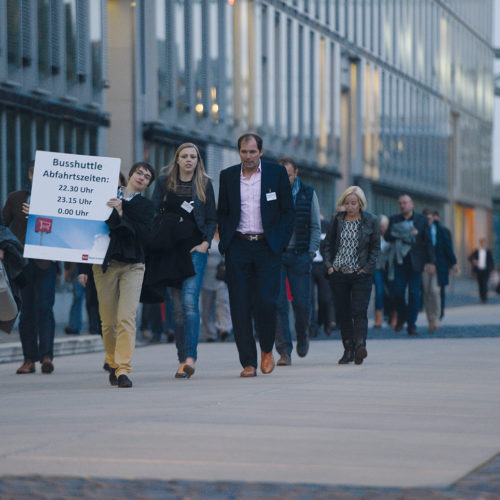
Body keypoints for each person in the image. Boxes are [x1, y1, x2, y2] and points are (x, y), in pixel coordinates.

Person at [217, 132, 294, 377]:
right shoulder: (228, 176)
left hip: (267, 247)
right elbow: (224, 212)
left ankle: (267, 350)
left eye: (252, 152)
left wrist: (280, 242)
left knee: (266, 302)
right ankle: (248, 362)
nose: (248, 156)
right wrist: (225, 242)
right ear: (238, 152)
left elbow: (287, 212)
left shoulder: (275, 173)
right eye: (244, 152)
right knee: (239, 305)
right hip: (238, 246)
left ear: (260, 152)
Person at [78, 162, 155, 388]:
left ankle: (123, 369)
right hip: (105, 263)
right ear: (130, 175)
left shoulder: (145, 206)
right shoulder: (104, 195)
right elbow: (86, 226)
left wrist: (121, 213)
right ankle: (112, 362)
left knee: (126, 318)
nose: (142, 177)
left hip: (133, 265)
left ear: (148, 184)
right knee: (108, 321)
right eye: (139, 173)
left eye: (147, 176)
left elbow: (142, 234)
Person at [151, 142, 217, 379]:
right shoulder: (163, 183)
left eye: (193, 156)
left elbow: (211, 219)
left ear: (198, 161)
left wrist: (205, 244)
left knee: (189, 302)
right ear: (177, 159)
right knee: (177, 309)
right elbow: (153, 212)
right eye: (184, 156)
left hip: (195, 250)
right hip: (170, 251)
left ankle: (190, 358)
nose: (189, 160)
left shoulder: (204, 185)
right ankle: (182, 359)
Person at [2, 163, 58, 375]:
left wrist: (41, 213)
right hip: (22, 263)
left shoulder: (56, 199)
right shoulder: (16, 197)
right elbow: (1, 223)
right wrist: (3, 247)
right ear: (30, 174)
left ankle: (46, 356)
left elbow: (66, 228)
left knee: (45, 307)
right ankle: (29, 359)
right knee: (26, 312)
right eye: (38, 174)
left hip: (47, 261)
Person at [322, 186, 379, 365]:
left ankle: (360, 345)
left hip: (361, 273)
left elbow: (375, 248)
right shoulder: (337, 219)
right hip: (339, 273)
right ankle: (348, 348)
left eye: (353, 203)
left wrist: (367, 268)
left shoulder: (371, 220)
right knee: (344, 312)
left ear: (360, 203)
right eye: (347, 203)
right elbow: (327, 244)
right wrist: (329, 266)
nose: (350, 206)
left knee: (359, 310)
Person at [274, 158, 320, 366]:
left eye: (289, 175)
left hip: (300, 255)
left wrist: (310, 253)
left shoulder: (308, 193)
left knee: (302, 304)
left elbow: (315, 226)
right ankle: (284, 351)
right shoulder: (271, 193)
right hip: (277, 256)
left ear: (296, 173)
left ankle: (302, 335)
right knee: (279, 304)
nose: (285, 179)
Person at [385, 194, 435, 335]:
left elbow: (428, 242)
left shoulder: (422, 220)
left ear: (411, 204)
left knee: (414, 294)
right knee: (398, 293)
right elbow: (388, 236)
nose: (402, 205)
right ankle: (403, 316)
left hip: (416, 262)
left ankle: (411, 324)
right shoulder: (393, 219)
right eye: (400, 203)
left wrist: (431, 262)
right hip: (399, 262)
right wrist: (404, 233)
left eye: (405, 203)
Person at [200, 229, 232, 342]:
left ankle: (225, 328)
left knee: (223, 301)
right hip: (206, 274)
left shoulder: (225, 233)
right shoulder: (206, 233)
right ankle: (210, 332)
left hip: (221, 274)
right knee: (207, 304)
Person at [431, 211, 457, 319]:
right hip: (435, 264)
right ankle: (437, 310)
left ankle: (440, 310)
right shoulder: (427, 230)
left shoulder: (444, 231)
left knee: (440, 289)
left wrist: (452, 264)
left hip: (441, 265)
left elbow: (448, 248)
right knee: (432, 289)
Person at [373, 215, 391, 328]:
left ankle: (392, 316)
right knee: (379, 291)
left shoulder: (391, 237)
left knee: (390, 292)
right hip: (377, 268)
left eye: (384, 226)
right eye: (380, 226)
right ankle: (378, 318)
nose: (382, 228)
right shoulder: (374, 237)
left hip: (389, 268)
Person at [469, 238, 494, 303]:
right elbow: (470, 258)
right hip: (479, 270)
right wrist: (474, 261)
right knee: (480, 284)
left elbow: (491, 261)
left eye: (484, 243)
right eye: (482, 243)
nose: (483, 244)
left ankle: (485, 298)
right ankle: (481, 297)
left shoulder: (488, 252)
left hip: (486, 270)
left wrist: (491, 270)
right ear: (480, 244)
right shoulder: (476, 251)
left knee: (485, 284)